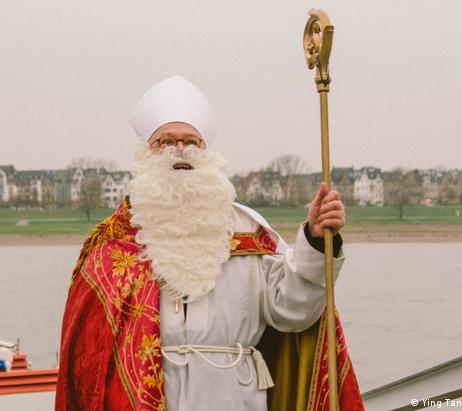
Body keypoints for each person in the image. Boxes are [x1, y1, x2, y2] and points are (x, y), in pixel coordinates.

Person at [56, 75, 364, 411]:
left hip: (235, 396)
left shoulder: (246, 229)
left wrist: (316, 240)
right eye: (165, 141)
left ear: (206, 152)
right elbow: (89, 357)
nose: (179, 150)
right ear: (146, 152)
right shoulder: (113, 244)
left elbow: (294, 310)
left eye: (191, 141)